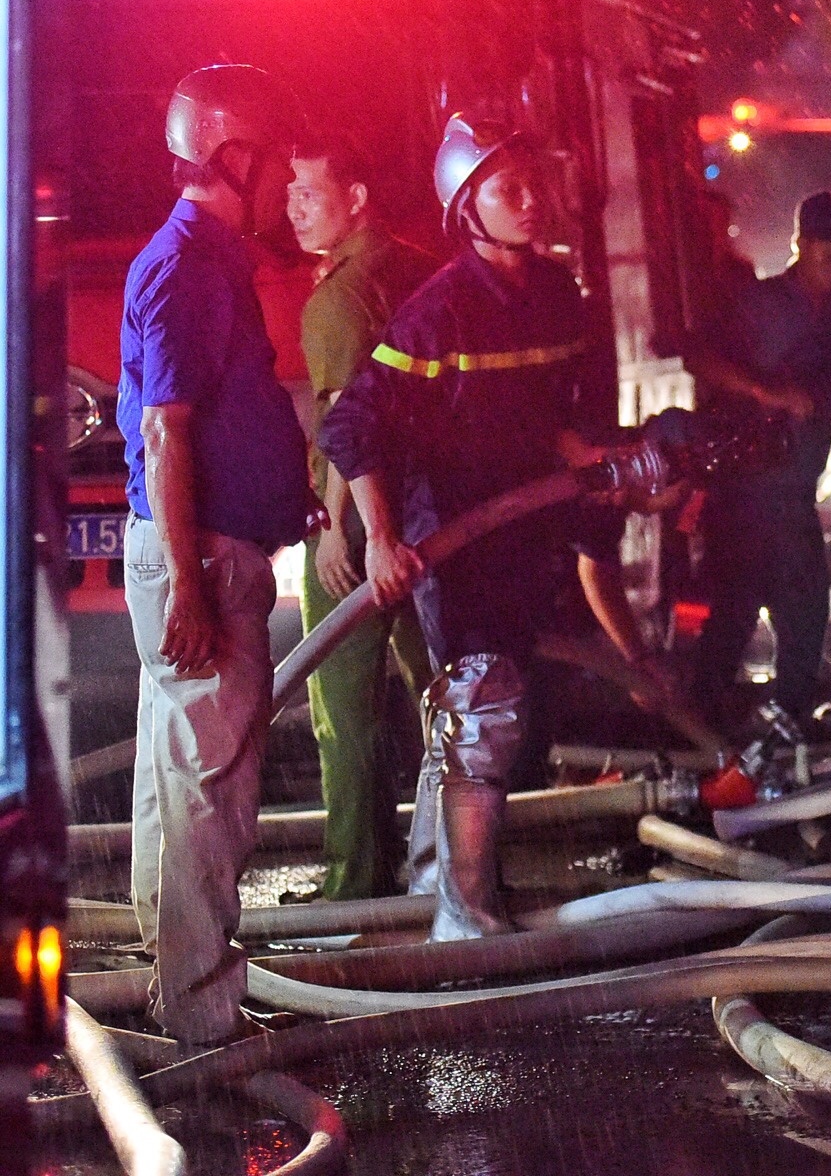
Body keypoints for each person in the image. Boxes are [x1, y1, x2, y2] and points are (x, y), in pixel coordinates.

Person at [318, 116, 664, 940]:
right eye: (509, 188)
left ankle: (435, 888)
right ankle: (465, 920)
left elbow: (553, 416)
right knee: (483, 706)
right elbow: (354, 426)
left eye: (534, 183)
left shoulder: (555, 295)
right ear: (465, 207)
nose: (531, 199)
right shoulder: (440, 311)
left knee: (477, 709)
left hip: (525, 533)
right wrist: (379, 537)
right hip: (453, 539)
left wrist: (597, 466)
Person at [117, 65, 313, 1045]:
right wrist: (191, 584)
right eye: (277, 165)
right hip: (203, 558)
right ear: (236, 156)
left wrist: (288, 489)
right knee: (208, 797)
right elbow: (167, 435)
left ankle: (175, 997)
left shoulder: (206, 262)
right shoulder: (190, 264)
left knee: (176, 782)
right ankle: (201, 1023)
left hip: (210, 550)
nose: (287, 185)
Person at [284, 134, 434, 902]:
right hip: (432, 514)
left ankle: (356, 880)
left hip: (365, 524)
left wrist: (339, 530)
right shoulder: (416, 268)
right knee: (443, 696)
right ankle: (451, 866)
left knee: (344, 710)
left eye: (309, 192)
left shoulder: (337, 297)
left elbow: (348, 421)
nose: (292, 207)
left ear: (357, 198)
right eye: (289, 192)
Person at [685, 192, 831, 739]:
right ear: (801, 245)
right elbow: (697, 356)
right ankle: (700, 727)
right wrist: (764, 391)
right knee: (735, 614)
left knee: (805, 611)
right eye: (828, 257)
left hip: (794, 494)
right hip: (743, 493)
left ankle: (784, 725)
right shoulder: (756, 303)